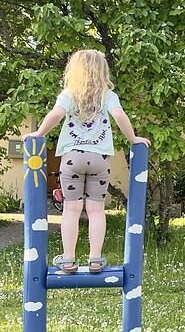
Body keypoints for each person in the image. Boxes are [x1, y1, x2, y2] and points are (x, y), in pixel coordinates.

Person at [22, 49, 150, 274]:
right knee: (96, 210)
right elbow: (120, 116)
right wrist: (133, 138)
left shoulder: (69, 94)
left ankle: (69, 259)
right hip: (99, 158)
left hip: (72, 159)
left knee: (71, 210)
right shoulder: (108, 96)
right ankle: (95, 259)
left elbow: (55, 115)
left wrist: (38, 134)